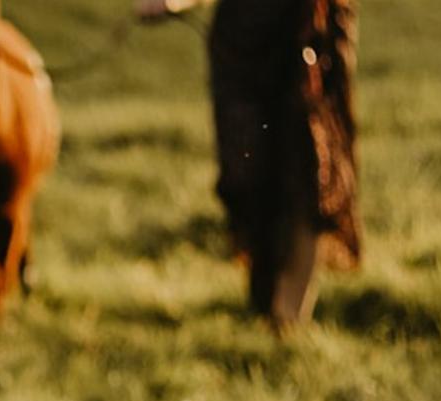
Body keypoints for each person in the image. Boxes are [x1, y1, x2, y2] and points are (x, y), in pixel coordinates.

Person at [139, 0, 362, 328]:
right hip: (241, 43)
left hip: (304, 33)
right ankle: (266, 300)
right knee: (248, 174)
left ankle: (290, 317)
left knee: (310, 171)